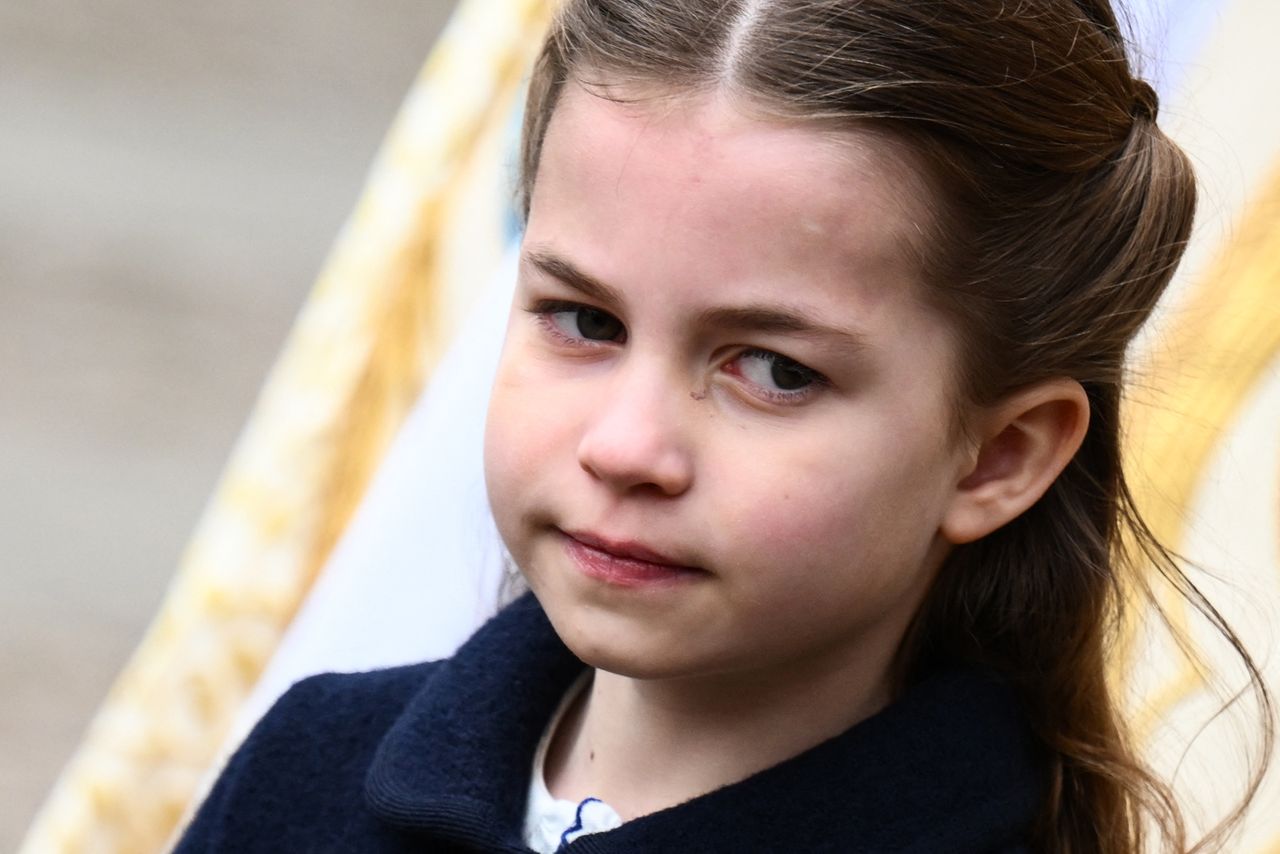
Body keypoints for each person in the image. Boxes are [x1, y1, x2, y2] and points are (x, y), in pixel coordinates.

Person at [174, 0, 1273, 851]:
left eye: (771, 370)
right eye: (583, 318)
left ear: (997, 454)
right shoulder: (306, 772)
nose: (626, 445)